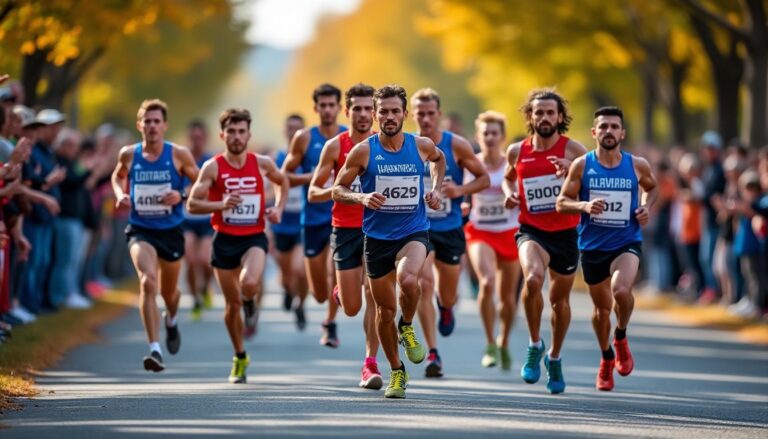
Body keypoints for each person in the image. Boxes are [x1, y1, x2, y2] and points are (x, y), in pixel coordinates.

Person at [333, 84, 445, 399]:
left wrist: (436, 189)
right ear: (375, 114)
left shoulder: (420, 145)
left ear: (405, 114)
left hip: (413, 231)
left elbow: (439, 160)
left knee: (410, 279)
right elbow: (337, 190)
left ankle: (407, 325)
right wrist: (361, 196)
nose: (389, 116)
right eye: (383, 111)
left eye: (396, 111)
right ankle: (397, 371)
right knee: (383, 310)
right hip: (376, 237)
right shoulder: (364, 151)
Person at [556, 106, 658, 391]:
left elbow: (653, 187)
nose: (609, 131)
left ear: (622, 133)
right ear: (594, 132)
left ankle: (621, 336)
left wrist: (646, 207)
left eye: (614, 127)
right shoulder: (582, 165)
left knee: (622, 291)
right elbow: (561, 202)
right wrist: (584, 205)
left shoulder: (637, 165)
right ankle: (605, 357)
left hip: (626, 241)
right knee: (601, 311)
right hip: (592, 247)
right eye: (603, 127)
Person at [188, 108, 287, 383]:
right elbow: (192, 204)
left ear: (248, 134)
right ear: (222, 135)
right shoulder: (213, 167)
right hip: (224, 239)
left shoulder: (262, 163)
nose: (236, 136)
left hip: (254, 236)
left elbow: (283, 181)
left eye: (241, 131)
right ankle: (240, 356)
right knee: (231, 307)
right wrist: (219, 204)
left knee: (250, 281)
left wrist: (278, 207)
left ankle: (250, 303)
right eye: (231, 131)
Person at [504, 88, 587, 394]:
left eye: (550, 112)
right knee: (533, 279)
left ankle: (554, 356)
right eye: (538, 112)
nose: (544, 117)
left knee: (559, 301)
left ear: (560, 117)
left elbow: (592, 185)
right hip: (531, 229)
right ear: (530, 116)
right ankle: (534, 343)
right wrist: (508, 193)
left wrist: (572, 175)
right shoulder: (517, 151)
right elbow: (508, 177)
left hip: (565, 233)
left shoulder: (574, 150)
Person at [111, 99, 199, 372]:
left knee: (169, 293)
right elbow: (117, 176)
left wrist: (181, 194)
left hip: (171, 231)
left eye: (156, 121)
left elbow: (200, 182)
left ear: (164, 126)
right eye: (146, 121)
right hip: (141, 229)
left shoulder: (179, 154)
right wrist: (121, 194)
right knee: (148, 282)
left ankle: (171, 319)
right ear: (139, 125)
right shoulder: (129, 153)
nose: (151, 126)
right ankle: (155, 349)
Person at [411, 88, 489, 378]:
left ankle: (447, 306)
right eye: (420, 113)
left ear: (439, 115)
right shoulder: (406, 146)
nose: (426, 118)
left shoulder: (456, 146)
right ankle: (433, 352)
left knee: (447, 291)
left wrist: (460, 190)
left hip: (450, 227)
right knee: (424, 283)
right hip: (419, 228)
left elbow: (483, 178)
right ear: (412, 115)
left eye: (431, 113)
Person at [308, 83, 382, 389]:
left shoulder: (385, 144)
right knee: (351, 307)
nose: (364, 114)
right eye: (358, 109)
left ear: (375, 113)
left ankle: (370, 364)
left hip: (380, 229)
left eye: (369, 109)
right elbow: (313, 192)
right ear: (347, 111)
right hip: (345, 229)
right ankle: (340, 291)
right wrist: (346, 193)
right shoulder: (336, 146)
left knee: (374, 296)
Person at [281, 84, 346, 347]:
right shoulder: (304, 139)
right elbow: (284, 175)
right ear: (316, 108)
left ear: (340, 108)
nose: (328, 109)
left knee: (336, 273)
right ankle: (321, 307)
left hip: (341, 219)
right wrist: (313, 178)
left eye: (333, 105)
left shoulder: (349, 137)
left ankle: (330, 323)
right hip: (312, 220)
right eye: (323, 105)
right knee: (319, 292)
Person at [463, 111, 521, 371]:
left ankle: (503, 341)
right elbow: (464, 194)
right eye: (484, 133)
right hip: (480, 231)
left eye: (494, 133)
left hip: (509, 232)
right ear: (478, 136)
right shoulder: (472, 164)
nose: (489, 137)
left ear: (502, 137)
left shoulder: (514, 164)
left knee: (508, 299)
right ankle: (489, 342)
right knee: (486, 282)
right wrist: (463, 204)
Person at [271, 114, 309, 330]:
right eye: (290, 128)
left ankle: (301, 304)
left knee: (301, 270)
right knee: (287, 275)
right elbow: (267, 188)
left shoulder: (311, 158)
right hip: (281, 224)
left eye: (298, 128)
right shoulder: (276, 159)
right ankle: (288, 289)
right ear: (285, 131)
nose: (294, 132)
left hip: (303, 223)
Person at [182, 120, 215, 320]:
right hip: (186, 218)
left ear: (206, 138)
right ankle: (194, 298)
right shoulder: (182, 161)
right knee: (191, 261)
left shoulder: (211, 161)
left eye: (200, 137)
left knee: (205, 260)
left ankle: (206, 288)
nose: (196, 141)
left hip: (207, 219)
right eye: (193, 138)